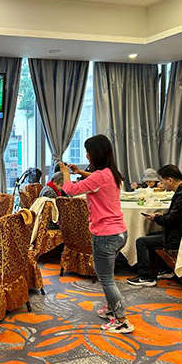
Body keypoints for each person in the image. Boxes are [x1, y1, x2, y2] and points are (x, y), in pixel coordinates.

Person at [59, 134, 133, 334]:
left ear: (95, 154)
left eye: (88, 152)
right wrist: (79, 171)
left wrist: (66, 173)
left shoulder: (99, 177)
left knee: (106, 279)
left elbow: (70, 190)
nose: (86, 155)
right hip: (119, 233)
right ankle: (111, 308)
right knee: (108, 276)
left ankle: (122, 321)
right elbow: (96, 180)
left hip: (105, 235)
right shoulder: (111, 173)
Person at [127, 164, 182, 287]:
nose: (161, 184)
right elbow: (177, 216)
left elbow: (171, 220)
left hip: (178, 237)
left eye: (162, 181)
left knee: (141, 241)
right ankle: (165, 269)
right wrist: (161, 216)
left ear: (170, 180)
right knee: (150, 235)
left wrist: (155, 218)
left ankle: (146, 277)